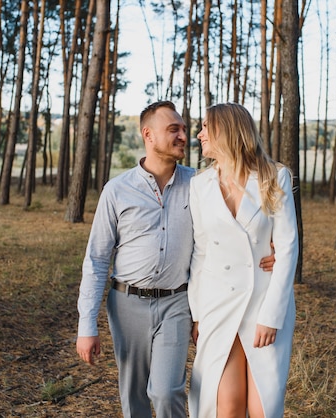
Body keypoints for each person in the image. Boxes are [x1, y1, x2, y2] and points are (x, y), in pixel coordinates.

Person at [75, 101, 274, 418]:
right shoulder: (116, 191)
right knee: (134, 394)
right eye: (174, 130)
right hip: (127, 305)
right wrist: (87, 325)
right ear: (148, 135)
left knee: (167, 391)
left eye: (185, 128)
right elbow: (97, 260)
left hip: (177, 302)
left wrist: (268, 246)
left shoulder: (201, 184)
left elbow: (227, 233)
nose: (185, 135)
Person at [188, 102, 299, 418]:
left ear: (226, 131)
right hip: (218, 304)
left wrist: (271, 316)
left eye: (206, 127)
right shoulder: (199, 185)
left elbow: (288, 248)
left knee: (263, 405)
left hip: (264, 300)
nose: (199, 135)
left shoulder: (274, 177)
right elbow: (201, 251)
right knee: (227, 405)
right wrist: (198, 314)